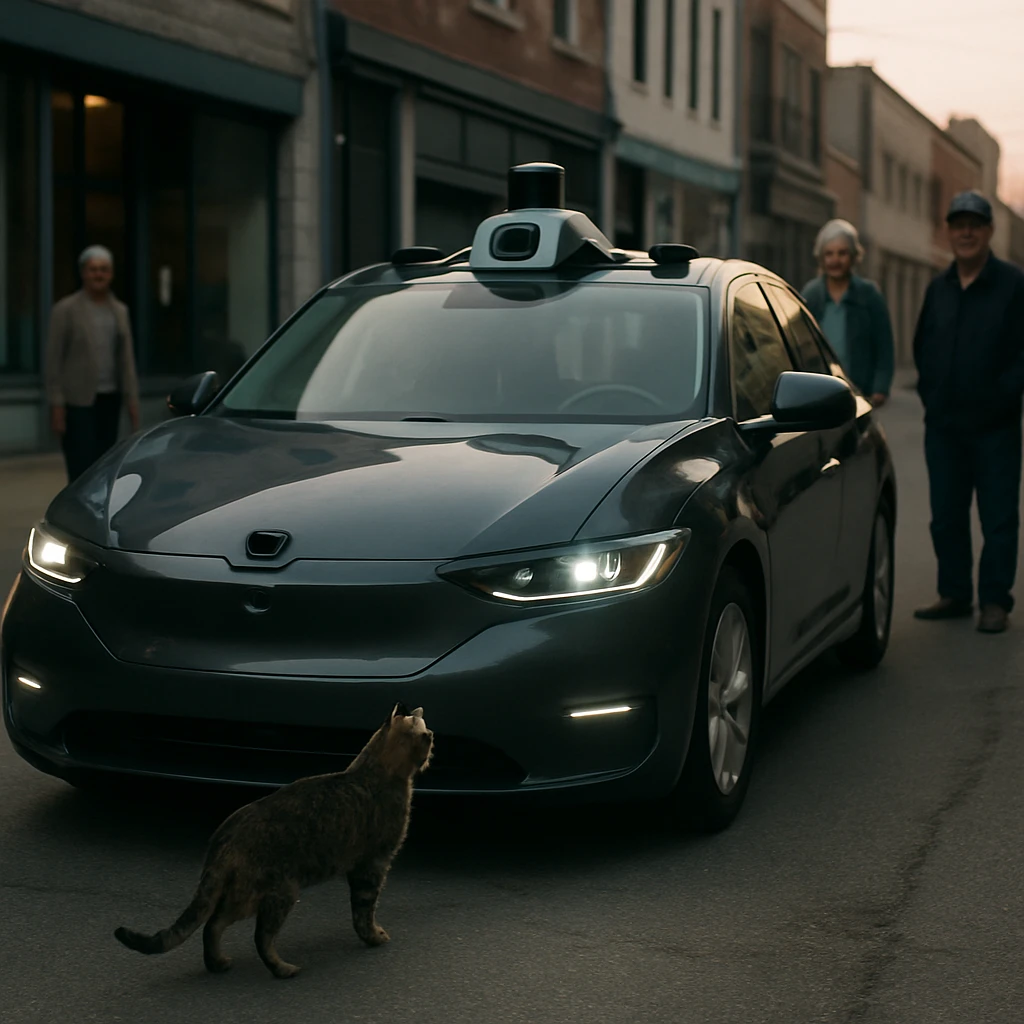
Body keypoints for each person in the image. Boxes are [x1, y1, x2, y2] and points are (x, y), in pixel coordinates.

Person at [913, 191, 1024, 634]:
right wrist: (931, 394)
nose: (965, 232)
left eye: (974, 225)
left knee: (997, 517)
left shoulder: (1013, 285)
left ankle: (995, 601)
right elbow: (923, 344)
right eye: (958, 224)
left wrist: (1001, 396)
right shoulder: (937, 288)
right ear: (949, 231)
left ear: (989, 230)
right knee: (946, 514)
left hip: (995, 427)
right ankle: (955, 593)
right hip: (943, 426)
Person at [45, 245, 140, 482]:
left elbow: (127, 359)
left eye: (104, 270)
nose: (99, 274)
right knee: (80, 467)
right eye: (93, 269)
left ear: (111, 274)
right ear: (83, 273)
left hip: (110, 398)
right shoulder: (65, 310)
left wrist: (132, 400)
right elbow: (53, 360)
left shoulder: (120, 311)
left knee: (104, 467)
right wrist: (56, 404)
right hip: (78, 402)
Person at [801, 219, 895, 407]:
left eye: (842, 253)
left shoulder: (869, 295)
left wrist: (880, 388)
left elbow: (885, 347)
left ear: (853, 256)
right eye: (829, 254)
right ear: (821, 258)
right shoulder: (810, 295)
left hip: (860, 394)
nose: (835, 260)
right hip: (819, 394)